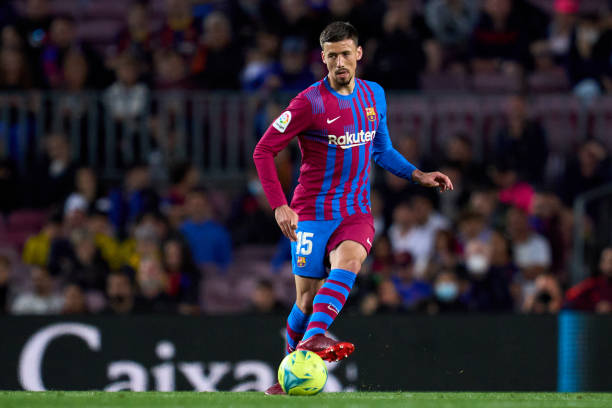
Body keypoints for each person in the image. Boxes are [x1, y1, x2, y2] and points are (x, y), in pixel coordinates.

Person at [253, 22, 453, 395]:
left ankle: (314, 336)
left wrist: (418, 175)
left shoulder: (374, 94)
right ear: (323, 58)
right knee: (306, 300)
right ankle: (287, 374)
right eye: (332, 56)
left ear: (358, 53)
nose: (340, 62)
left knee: (350, 262)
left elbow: (381, 150)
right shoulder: (308, 103)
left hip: (355, 211)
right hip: (311, 213)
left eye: (346, 54)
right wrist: (279, 205)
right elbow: (263, 150)